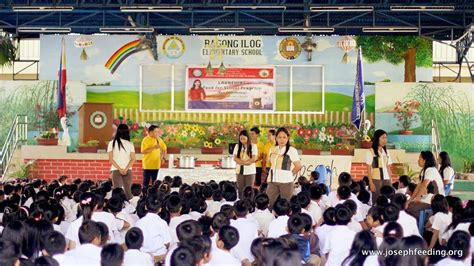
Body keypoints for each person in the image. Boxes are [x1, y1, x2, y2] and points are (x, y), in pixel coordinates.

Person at [267, 127, 302, 208]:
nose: (282, 140)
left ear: (288, 138)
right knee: (269, 204)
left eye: (284, 137)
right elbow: (270, 164)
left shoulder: (291, 150)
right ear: (276, 138)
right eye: (279, 137)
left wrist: (289, 175)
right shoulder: (272, 149)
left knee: (285, 206)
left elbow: (298, 166)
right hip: (272, 181)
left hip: (286, 183)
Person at [407, 151, 445, 220]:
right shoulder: (424, 171)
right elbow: (419, 186)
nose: (418, 160)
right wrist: (410, 199)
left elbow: (424, 185)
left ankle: (427, 221)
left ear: (425, 160)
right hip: (429, 198)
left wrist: (417, 198)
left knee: (411, 207)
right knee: (409, 205)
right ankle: (425, 221)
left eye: (419, 158)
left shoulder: (430, 170)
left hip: (436, 201)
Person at [108, 124, 136, 200]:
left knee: (117, 191)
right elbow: (133, 159)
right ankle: (130, 209)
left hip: (116, 170)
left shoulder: (112, 143)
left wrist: (120, 169)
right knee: (128, 192)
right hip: (128, 170)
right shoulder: (130, 144)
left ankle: (116, 208)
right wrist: (126, 169)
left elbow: (111, 159)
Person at [366, 129, 393, 204]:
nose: (385, 140)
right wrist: (371, 183)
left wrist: (391, 180)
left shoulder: (386, 151)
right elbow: (368, 169)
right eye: (383, 138)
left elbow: (388, 167)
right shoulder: (370, 152)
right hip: (376, 179)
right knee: (376, 199)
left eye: (386, 138)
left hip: (386, 179)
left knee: (388, 199)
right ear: (377, 138)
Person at [233, 130, 257, 198]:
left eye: (244, 138)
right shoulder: (237, 146)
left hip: (250, 172)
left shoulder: (253, 146)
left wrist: (244, 163)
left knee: (249, 190)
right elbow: (235, 158)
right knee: (240, 190)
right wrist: (244, 163)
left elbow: (254, 158)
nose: (242, 140)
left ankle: (249, 205)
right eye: (241, 138)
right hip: (239, 171)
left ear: (248, 138)